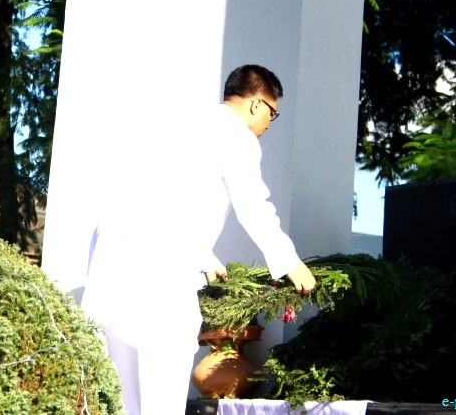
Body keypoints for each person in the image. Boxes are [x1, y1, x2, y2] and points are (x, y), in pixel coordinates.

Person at [80, 64, 317, 414]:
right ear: (256, 104)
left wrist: (203, 256)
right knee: (163, 383)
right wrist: (289, 262)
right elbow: (253, 204)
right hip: (158, 262)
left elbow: (163, 198)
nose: (269, 124)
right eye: (273, 113)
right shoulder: (237, 135)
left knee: (120, 390)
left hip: (113, 255)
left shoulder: (181, 122)